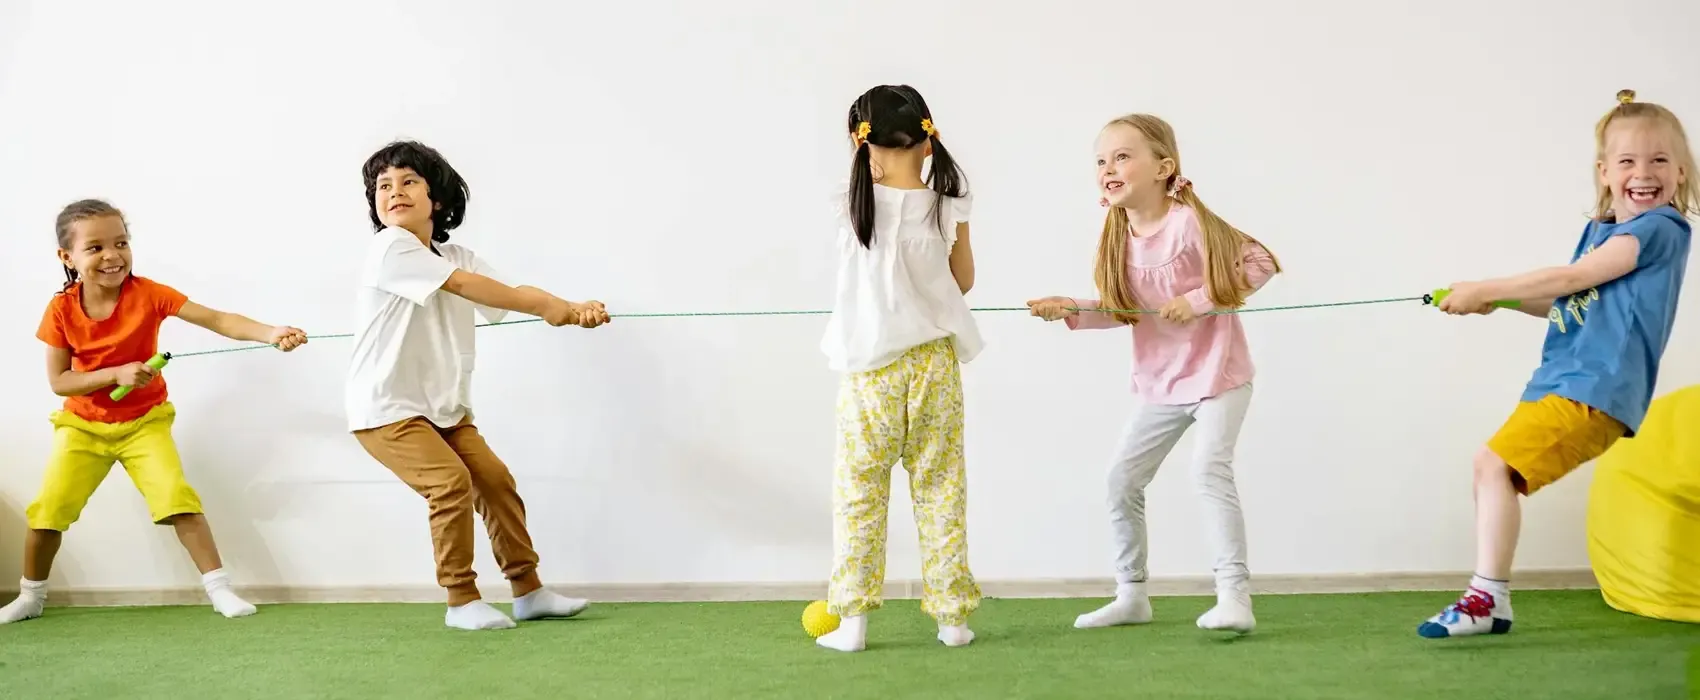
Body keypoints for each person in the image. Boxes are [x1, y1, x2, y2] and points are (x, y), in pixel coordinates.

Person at [1421, 89, 1696, 639]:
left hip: (1596, 387)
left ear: (1682, 171)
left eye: (1660, 160)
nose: (1644, 173)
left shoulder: (1659, 230)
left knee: (1492, 464)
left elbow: (1573, 279)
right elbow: (1565, 303)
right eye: (1628, 161)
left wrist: (1487, 287)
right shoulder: (1602, 234)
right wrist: (1493, 301)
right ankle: (1489, 597)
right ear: (1604, 172)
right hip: (1561, 381)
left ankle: (1487, 599)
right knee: (1490, 469)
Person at [1029, 113, 1281, 635]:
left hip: (1219, 378)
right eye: (1101, 160)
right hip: (1161, 385)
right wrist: (1071, 306)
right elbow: (1126, 310)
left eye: (1122, 156)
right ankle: (1132, 595)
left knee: (1209, 472)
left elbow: (1260, 262)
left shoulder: (1189, 222)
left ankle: (1234, 598)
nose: (1108, 168)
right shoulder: (1117, 236)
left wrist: (1198, 300)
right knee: (1121, 481)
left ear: (1164, 168)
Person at [0, 198, 308, 625]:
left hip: (144, 422)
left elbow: (218, 319)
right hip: (82, 426)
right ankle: (31, 597)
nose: (112, 256)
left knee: (175, 499)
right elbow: (60, 382)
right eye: (95, 248)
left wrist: (271, 332)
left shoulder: (149, 294)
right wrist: (115, 374)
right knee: (48, 511)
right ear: (66, 257)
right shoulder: (61, 310)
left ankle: (220, 591)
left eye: (120, 243)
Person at [345, 140, 611, 631]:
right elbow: (465, 288)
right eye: (383, 186)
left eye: (408, 182)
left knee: (494, 480)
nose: (394, 192)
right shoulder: (390, 248)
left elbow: (505, 296)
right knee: (450, 484)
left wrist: (571, 309)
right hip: (387, 409)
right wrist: (552, 307)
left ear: (437, 199)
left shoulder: (455, 254)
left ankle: (527, 592)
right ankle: (461, 600)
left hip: (444, 409)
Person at [816, 85, 982, 652]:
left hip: (871, 374)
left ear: (862, 144)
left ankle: (854, 625)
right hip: (935, 366)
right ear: (928, 140)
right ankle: (953, 621)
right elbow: (962, 283)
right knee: (941, 488)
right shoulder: (948, 202)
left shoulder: (849, 204)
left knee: (859, 493)